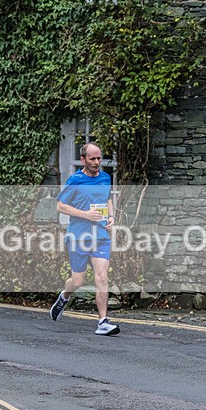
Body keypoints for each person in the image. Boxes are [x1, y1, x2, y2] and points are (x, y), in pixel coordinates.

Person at [49, 142, 119, 336]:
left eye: (99, 158)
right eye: (92, 159)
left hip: (101, 236)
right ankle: (64, 296)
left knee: (102, 276)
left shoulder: (105, 178)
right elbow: (61, 206)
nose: (97, 162)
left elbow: (107, 199)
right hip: (79, 236)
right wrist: (86, 215)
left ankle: (103, 322)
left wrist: (111, 217)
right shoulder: (75, 180)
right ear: (83, 160)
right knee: (78, 281)